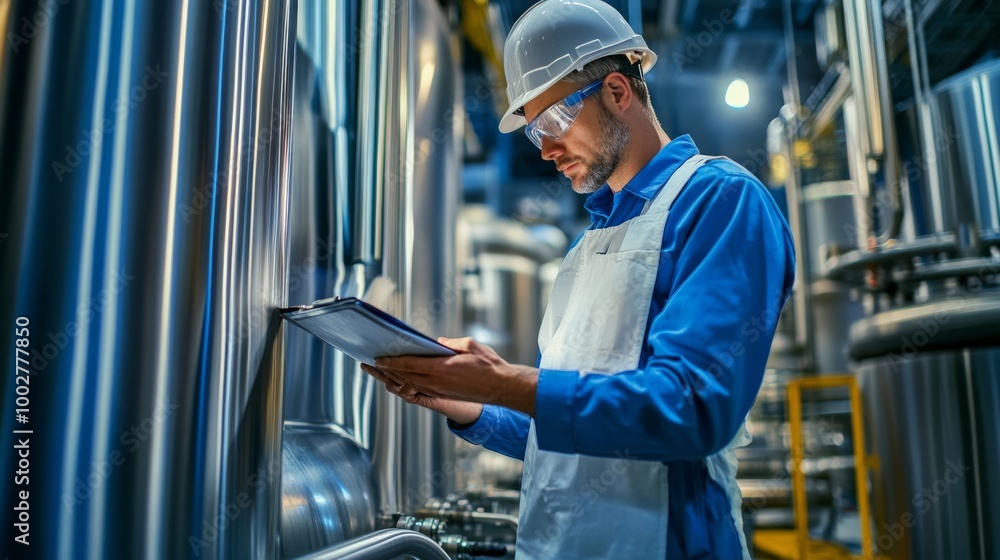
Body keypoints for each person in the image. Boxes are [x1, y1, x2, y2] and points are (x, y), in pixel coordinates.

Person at [361, 0, 796, 557]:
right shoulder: (584, 249)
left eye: (553, 121)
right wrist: (465, 404)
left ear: (618, 91)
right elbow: (565, 438)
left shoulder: (719, 202)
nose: (544, 148)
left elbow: (690, 410)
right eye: (532, 131)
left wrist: (502, 382)